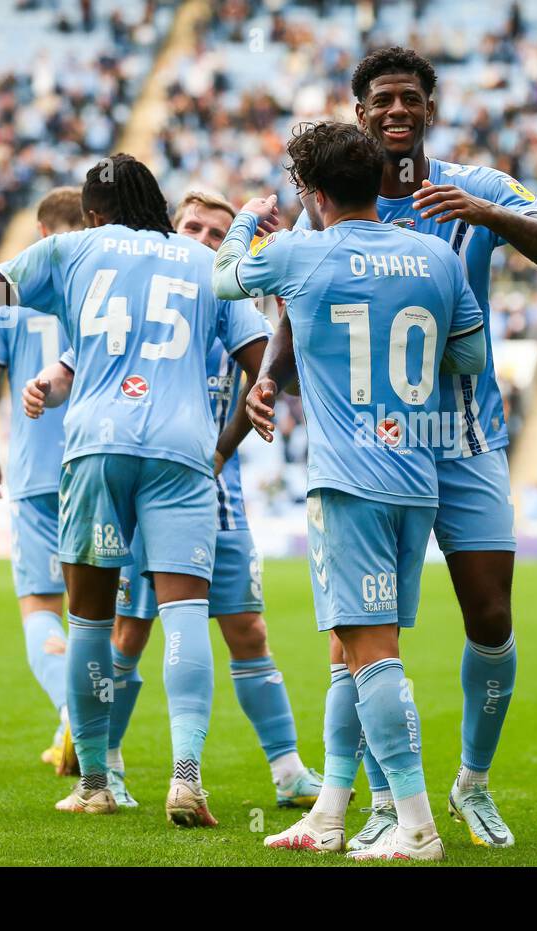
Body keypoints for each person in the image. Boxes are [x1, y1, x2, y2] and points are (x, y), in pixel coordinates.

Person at [0, 153, 265, 827]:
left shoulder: (72, 250)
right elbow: (261, 366)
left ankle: (95, 782)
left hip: (96, 446)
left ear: (91, 214)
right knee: (185, 615)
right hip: (180, 451)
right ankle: (186, 777)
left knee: (85, 618)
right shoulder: (205, 264)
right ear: (158, 205)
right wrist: (248, 418)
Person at [283, 46, 537, 850]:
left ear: (429, 109)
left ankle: (472, 784)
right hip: (376, 446)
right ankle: (378, 802)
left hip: (464, 436)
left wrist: (488, 219)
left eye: (410, 97)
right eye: (381, 99)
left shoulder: (473, 187)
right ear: (361, 111)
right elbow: (300, 299)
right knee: (362, 636)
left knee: (490, 615)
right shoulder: (337, 197)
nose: (396, 111)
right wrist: (269, 380)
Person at [215, 122, 487, 860]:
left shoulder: (302, 251)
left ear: (316, 193)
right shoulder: (435, 255)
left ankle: (418, 825)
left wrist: (246, 220)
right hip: (417, 477)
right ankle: (330, 815)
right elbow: (471, 354)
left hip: (349, 481)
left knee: (370, 653)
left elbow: (221, 279)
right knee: (347, 650)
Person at [25, 188, 322, 810]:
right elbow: (71, 364)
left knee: (247, 626)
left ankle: (289, 768)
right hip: (153, 480)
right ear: (171, 228)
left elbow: (268, 378)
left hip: (219, 493)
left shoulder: (232, 306)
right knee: (129, 630)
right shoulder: (149, 299)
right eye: (195, 228)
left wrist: (220, 453)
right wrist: (46, 385)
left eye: (220, 235)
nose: (207, 242)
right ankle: (102, 761)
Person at [0, 186, 82, 775]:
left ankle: (71, 712)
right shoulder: (101, 287)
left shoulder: (7, 304)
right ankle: (91, 735)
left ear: (40, 236)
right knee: (100, 613)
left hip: (37, 474)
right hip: (99, 464)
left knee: (41, 604)